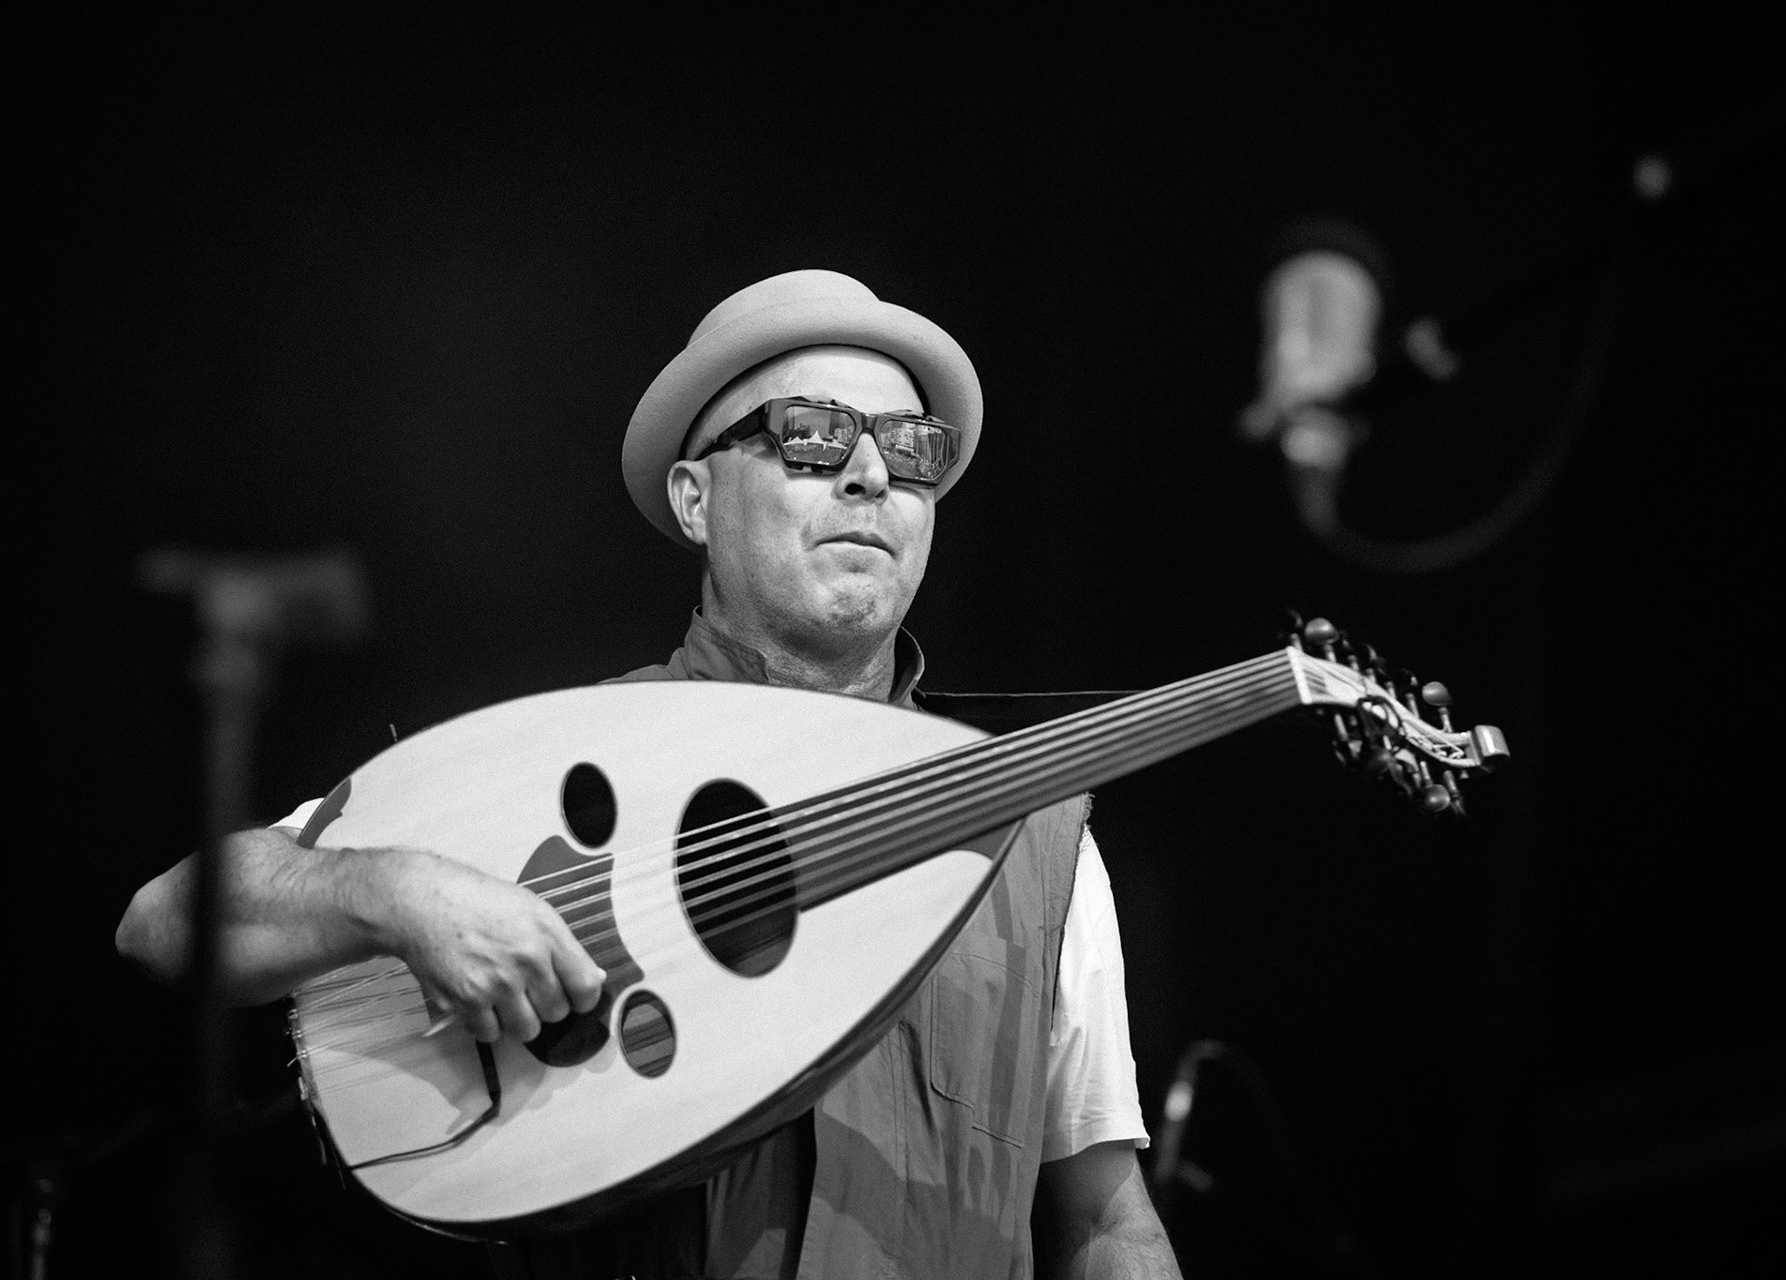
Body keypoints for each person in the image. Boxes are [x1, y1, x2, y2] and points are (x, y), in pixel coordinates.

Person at [117, 269, 1182, 1279]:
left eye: (911, 449)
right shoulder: (561, 765)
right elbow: (164, 922)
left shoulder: (1036, 834)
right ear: (695, 499)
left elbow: (1103, 1212)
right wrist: (390, 891)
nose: (871, 474)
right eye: (813, 433)